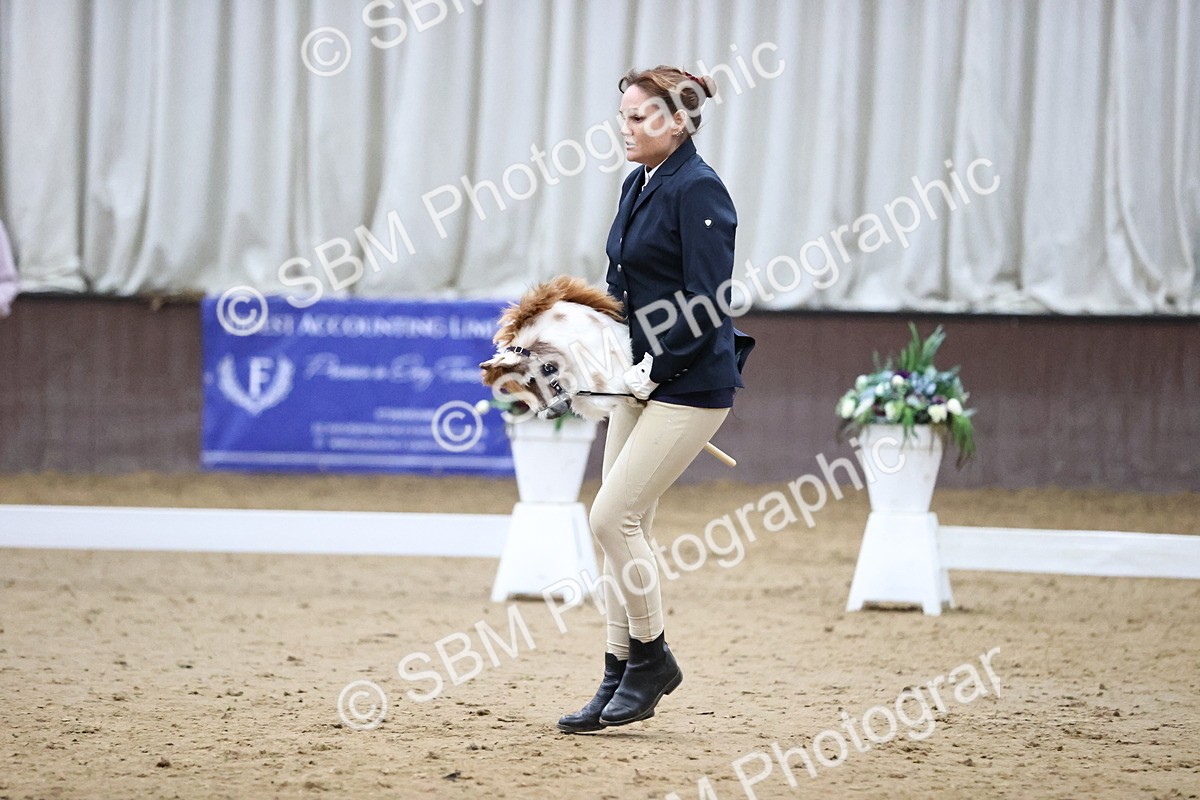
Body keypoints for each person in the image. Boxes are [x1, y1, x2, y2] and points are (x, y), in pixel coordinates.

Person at [557, 66, 745, 733]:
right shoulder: (640, 184)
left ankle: (653, 658)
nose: (625, 128)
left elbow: (706, 303)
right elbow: (623, 289)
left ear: (680, 120)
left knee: (612, 520)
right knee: (619, 532)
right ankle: (616, 673)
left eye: (639, 116)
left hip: (690, 386)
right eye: (624, 116)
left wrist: (653, 369)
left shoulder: (699, 189)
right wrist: (586, 350)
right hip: (637, 379)